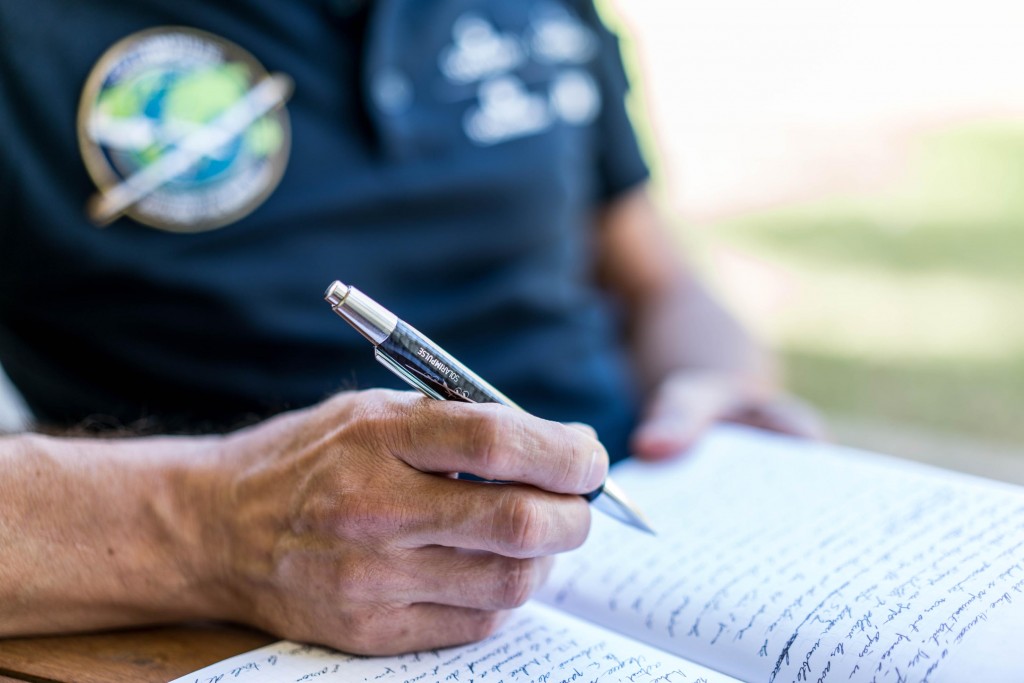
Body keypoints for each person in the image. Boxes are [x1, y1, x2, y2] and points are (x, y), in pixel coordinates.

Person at [0, 0, 819, 655]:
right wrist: (220, 526)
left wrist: (717, 381)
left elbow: (658, 280)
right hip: (267, 632)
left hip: (642, 556)